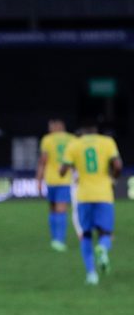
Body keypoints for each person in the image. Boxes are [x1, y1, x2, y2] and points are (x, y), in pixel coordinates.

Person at [60, 119, 122, 285]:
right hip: (104, 194)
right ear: (96, 129)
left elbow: (62, 170)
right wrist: (112, 180)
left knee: (86, 235)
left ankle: (91, 274)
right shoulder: (107, 142)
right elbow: (117, 165)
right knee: (106, 233)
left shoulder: (74, 144)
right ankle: (102, 248)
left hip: (83, 196)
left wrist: (73, 168)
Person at [36, 119, 76, 251]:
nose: (49, 129)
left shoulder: (47, 139)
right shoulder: (72, 139)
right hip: (65, 179)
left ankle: (55, 239)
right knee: (61, 209)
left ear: (57, 126)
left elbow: (43, 161)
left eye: (50, 126)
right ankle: (58, 240)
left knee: (53, 209)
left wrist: (39, 181)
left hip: (51, 179)